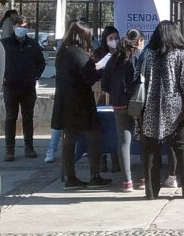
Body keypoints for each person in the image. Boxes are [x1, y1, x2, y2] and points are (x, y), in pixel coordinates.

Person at [136, 21, 184, 199]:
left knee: (150, 150)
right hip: (176, 108)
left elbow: (136, 77)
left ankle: (151, 191)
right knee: (183, 147)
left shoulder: (147, 53)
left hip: (149, 107)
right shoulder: (182, 54)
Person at [51, 21, 111, 189]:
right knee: (95, 136)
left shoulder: (63, 52)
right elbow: (89, 77)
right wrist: (101, 68)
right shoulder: (79, 54)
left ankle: (70, 177)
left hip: (65, 101)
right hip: (81, 103)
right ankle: (95, 175)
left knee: (69, 140)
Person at [101, 29, 145, 192]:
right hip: (136, 104)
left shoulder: (113, 59)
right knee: (142, 140)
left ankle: (127, 182)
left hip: (118, 104)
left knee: (124, 142)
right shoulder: (136, 58)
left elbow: (105, 85)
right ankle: (143, 178)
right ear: (139, 41)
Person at [2, 15, 46, 161]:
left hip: (28, 87)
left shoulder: (33, 44)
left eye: (25, 26)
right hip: (10, 86)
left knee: (28, 117)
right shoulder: (5, 44)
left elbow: (41, 63)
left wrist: (35, 76)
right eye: (20, 26)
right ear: (14, 27)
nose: (22, 29)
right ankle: (10, 150)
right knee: (10, 118)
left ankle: (29, 147)